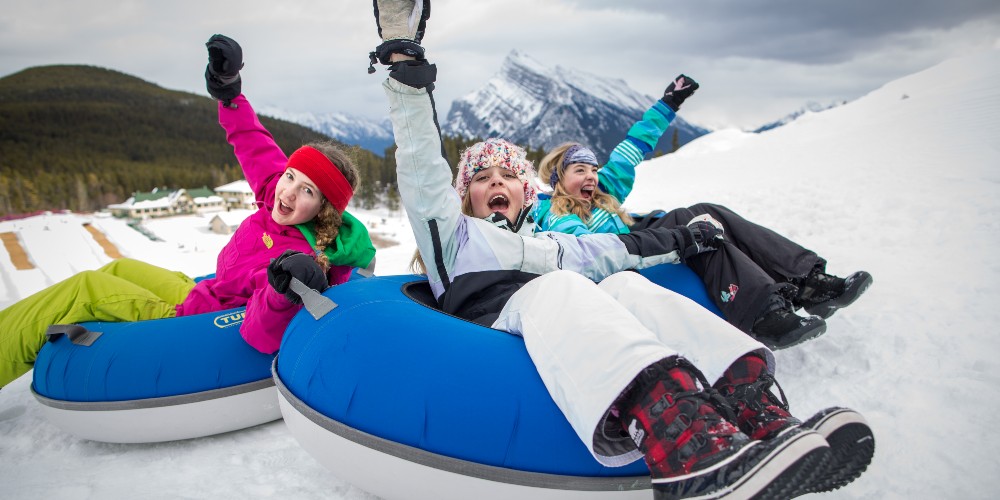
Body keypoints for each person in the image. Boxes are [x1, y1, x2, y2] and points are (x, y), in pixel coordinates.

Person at [369, 1, 873, 497]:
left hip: (567, 328)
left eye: (508, 175)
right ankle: (681, 446)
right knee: (562, 286)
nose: (496, 183)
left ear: (529, 193)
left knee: (625, 284)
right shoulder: (453, 238)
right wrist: (404, 65)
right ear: (464, 196)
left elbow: (618, 248)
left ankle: (755, 408)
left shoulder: (551, 242)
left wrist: (685, 238)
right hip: (492, 335)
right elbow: (419, 165)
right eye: (481, 178)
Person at [0, 35, 375, 388]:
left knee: (85, 287)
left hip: (195, 318)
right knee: (119, 268)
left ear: (323, 208)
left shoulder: (294, 257)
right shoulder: (279, 198)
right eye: (290, 176)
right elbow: (255, 145)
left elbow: (262, 333)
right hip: (207, 290)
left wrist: (283, 290)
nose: (288, 191)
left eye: (306, 189)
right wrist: (229, 92)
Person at [534, 87, 873, 349]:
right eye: (580, 170)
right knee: (696, 229)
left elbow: (634, 145)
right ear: (557, 179)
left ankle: (808, 282)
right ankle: (763, 315)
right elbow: (594, 254)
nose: (592, 176)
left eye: (593, 169)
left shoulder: (604, 191)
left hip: (644, 237)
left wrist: (668, 103)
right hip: (626, 264)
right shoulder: (557, 217)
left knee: (706, 214)